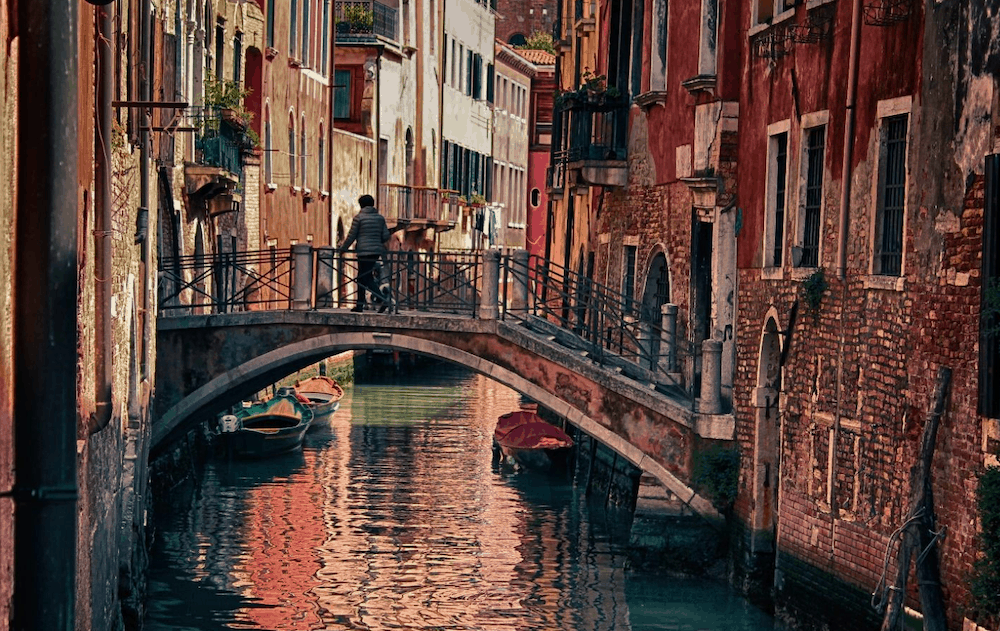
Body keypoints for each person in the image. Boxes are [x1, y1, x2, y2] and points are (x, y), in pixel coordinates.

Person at [340, 194, 391, 312]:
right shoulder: (380, 218)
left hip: (363, 251)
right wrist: (377, 240)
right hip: (375, 252)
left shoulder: (359, 218)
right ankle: (360, 304)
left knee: (364, 277)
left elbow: (351, 236)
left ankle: (381, 299)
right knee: (363, 277)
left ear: (361, 205)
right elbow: (385, 236)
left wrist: (343, 249)